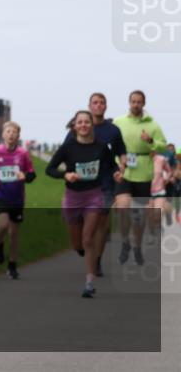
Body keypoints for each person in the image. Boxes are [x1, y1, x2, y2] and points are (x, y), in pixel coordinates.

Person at [47, 111, 121, 298]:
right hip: (73, 197)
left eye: (87, 122)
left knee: (88, 239)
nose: (83, 125)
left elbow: (112, 164)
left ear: (91, 125)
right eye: (80, 122)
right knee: (77, 244)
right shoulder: (68, 147)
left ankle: (89, 283)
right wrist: (65, 175)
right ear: (75, 126)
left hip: (94, 195)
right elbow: (50, 169)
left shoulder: (102, 147)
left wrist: (116, 173)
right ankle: (80, 249)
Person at [62, 93, 126, 276]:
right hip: (80, 184)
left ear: (106, 106)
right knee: (83, 224)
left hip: (105, 183)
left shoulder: (113, 130)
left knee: (101, 222)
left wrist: (122, 166)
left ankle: (97, 260)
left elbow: (122, 152)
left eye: (102, 103)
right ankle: (84, 245)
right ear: (89, 106)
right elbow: (66, 153)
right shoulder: (77, 129)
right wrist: (67, 175)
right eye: (95, 103)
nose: (98, 105)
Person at [113, 90, 168, 266]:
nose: (136, 104)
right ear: (129, 102)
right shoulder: (119, 122)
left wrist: (150, 140)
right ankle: (125, 243)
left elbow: (163, 146)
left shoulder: (153, 124)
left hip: (144, 172)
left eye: (139, 102)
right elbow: (111, 142)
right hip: (125, 170)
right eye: (133, 101)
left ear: (144, 104)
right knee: (122, 207)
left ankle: (136, 246)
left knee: (139, 216)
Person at [0, 121, 36, 279]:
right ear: (3, 134)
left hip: (18, 197)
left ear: (18, 136)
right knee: (3, 225)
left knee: (14, 233)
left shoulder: (23, 154)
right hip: (1, 195)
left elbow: (32, 174)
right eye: (8, 131)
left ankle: (12, 265)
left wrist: (25, 176)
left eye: (14, 132)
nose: (11, 134)